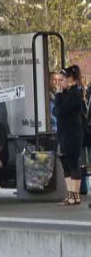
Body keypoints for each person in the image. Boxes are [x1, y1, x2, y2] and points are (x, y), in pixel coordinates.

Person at [54, 65, 85, 206]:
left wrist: (58, 95)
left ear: (70, 79)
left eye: (62, 80)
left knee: (73, 162)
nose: (59, 83)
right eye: (58, 80)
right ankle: (69, 193)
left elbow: (60, 111)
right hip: (63, 133)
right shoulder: (65, 93)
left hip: (72, 133)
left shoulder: (75, 93)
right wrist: (59, 96)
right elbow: (56, 111)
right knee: (65, 163)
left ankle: (75, 195)